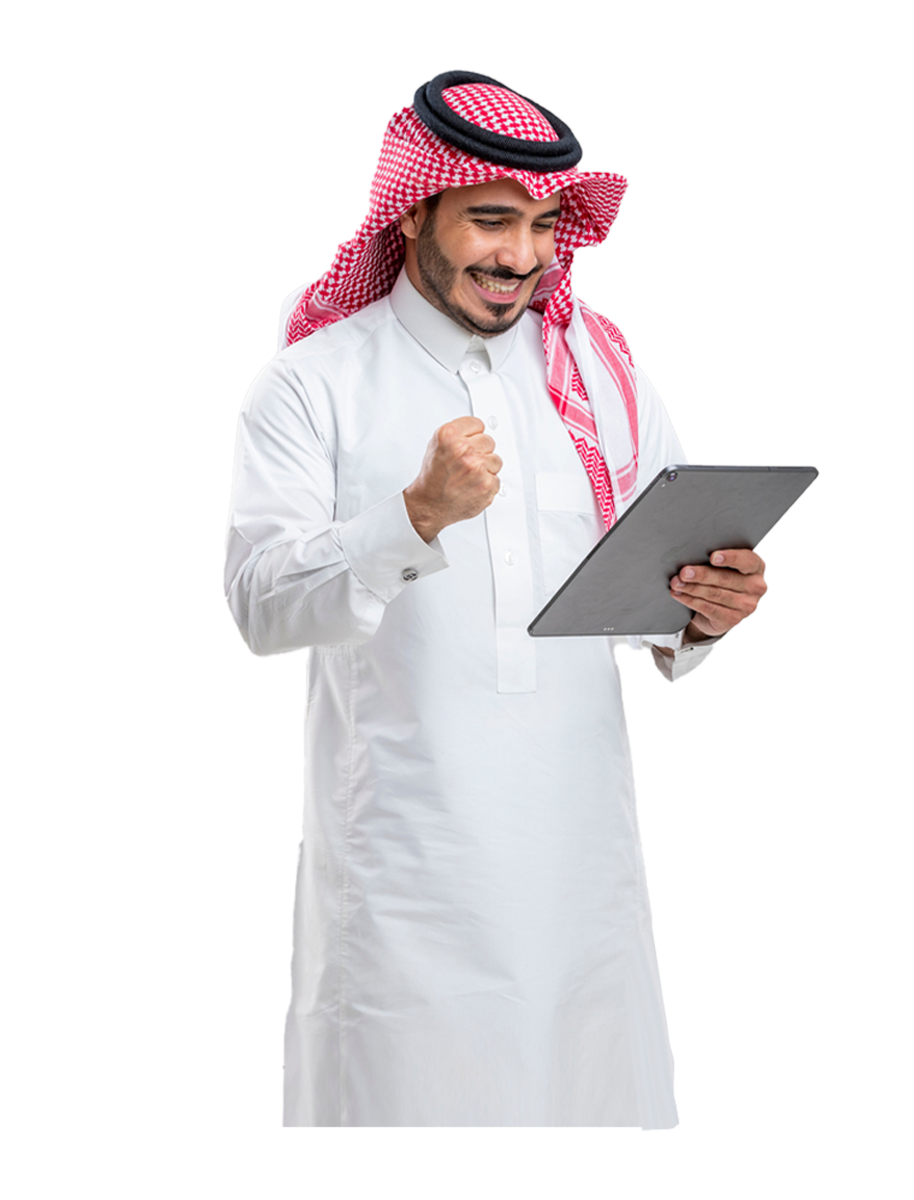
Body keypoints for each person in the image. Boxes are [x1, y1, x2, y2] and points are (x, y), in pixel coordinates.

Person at [223, 71, 768, 1130]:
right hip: (407, 873)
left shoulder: (600, 373)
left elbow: (658, 577)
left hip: (583, 866)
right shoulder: (314, 382)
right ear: (413, 210)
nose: (522, 256)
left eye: (545, 225)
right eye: (490, 220)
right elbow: (259, 605)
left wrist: (707, 608)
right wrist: (414, 515)